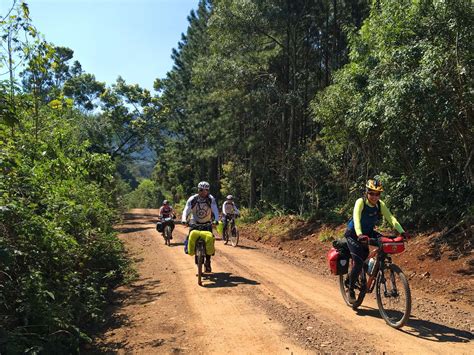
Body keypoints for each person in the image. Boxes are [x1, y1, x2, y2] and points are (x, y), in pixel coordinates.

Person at [344, 177, 410, 303]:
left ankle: (373, 267)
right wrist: (359, 234)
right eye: (371, 193)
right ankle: (350, 288)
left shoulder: (380, 205)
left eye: (377, 194)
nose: (374, 196)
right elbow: (356, 219)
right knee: (358, 262)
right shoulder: (360, 202)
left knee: (385, 242)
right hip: (353, 234)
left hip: (368, 233)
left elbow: (391, 218)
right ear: (367, 192)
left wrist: (402, 231)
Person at [181, 181, 219, 272]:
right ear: (198, 190)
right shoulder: (193, 199)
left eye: (206, 190)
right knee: (190, 237)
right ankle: (189, 250)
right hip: (194, 221)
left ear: (208, 190)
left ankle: (208, 261)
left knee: (210, 239)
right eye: (201, 190)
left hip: (207, 222)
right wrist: (183, 219)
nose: (203, 192)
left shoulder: (210, 199)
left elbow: (215, 210)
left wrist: (216, 220)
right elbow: (186, 210)